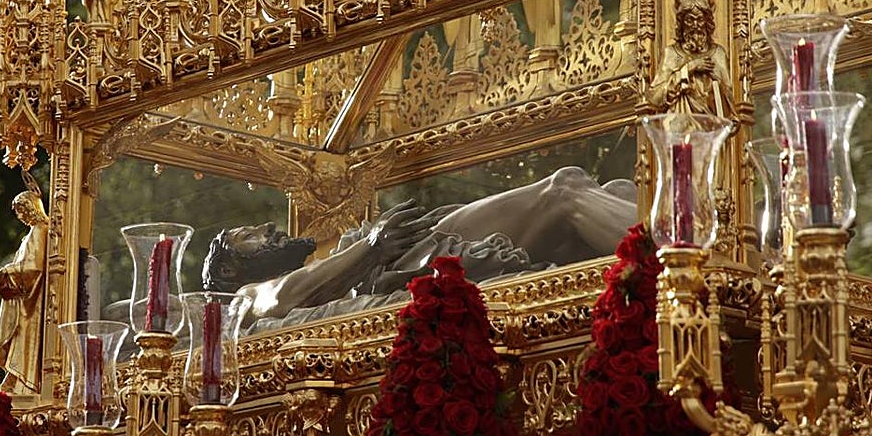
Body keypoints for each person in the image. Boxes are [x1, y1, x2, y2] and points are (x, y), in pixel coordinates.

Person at [203, 167, 637, 325]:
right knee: (565, 191)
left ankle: (674, 260)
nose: (265, 225)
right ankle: (683, 268)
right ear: (230, 272)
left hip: (408, 248)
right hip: (410, 256)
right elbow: (285, 298)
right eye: (248, 236)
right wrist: (373, 245)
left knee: (610, 191)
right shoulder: (245, 297)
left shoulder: (323, 261)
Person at [646, 0, 734, 118]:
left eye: (699, 19)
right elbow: (654, 97)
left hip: (710, 129)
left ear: (707, 22)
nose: (695, 25)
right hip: (679, 127)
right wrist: (688, 69)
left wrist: (716, 82)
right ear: (681, 23)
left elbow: (729, 100)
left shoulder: (717, 53)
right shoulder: (672, 53)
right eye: (689, 20)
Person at [0, 190, 48, 393]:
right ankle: (18, 383)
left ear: (32, 207)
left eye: (22, 210)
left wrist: (7, 271)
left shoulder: (41, 229)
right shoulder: (31, 234)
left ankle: (24, 384)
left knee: (24, 343)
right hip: (24, 299)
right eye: (18, 213)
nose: (20, 216)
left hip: (32, 302)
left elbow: (34, 267)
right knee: (19, 342)